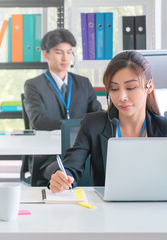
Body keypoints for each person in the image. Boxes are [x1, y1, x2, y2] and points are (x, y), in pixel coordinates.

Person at [49, 50, 167, 193]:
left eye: (130, 88)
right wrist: (62, 178)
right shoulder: (93, 124)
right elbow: (71, 168)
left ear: (149, 87)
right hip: (107, 214)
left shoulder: (166, 128)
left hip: (155, 212)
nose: (121, 97)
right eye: (114, 89)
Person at [23, 29, 102, 184]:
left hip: (83, 151)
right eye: (59, 52)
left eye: (69, 52)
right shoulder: (34, 85)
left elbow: (98, 114)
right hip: (50, 156)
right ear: (46, 54)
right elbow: (39, 120)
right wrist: (76, 125)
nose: (65, 58)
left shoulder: (83, 83)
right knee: (66, 175)